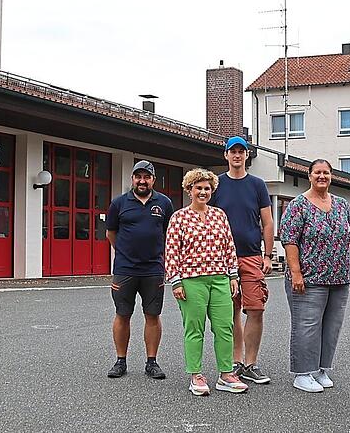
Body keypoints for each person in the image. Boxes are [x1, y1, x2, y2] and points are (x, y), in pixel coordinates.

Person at [165, 168, 248, 396]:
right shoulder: (179, 217)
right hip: (191, 281)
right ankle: (196, 375)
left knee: (225, 327)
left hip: (220, 278)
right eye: (198, 188)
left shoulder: (219, 215)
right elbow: (172, 251)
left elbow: (229, 247)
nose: (203, 192)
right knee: (195, 328)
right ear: (189, 190)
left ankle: (226, 374)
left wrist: (233, 275)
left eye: (207, 188)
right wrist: (176, 281)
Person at [278, 159, 350, 393]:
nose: (322, 176)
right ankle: (302, 373)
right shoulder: (298, 205)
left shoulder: (342, 204)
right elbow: (290, 240)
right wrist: (296, 273)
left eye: (326, 173)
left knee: (331, 326)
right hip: (309, 278)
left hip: (339, 277)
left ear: (331, 176)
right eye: (317, 173)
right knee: (307, 326)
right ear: (309, 176)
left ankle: (322, 369)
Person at [209, 135, 275, 385]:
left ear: (247, 155)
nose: (237, 155)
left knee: (255, 308)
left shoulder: (257, 185)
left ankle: (251, 363)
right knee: (231, 311)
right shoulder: (216, 185)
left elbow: (267, 222)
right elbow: (208, 219)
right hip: (222, 258)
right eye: (232, 151)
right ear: (225, 155)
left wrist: (267, 255)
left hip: (251, 256)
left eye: (241, 151)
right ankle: (236, 362)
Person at [105, 160, 174, 380]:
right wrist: (125, 252)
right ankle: (120, 361)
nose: (142, 181)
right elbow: (111, 234)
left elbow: (168, 234)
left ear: (153, 179)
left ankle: (151, 362)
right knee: (122, 314)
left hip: (153, 269)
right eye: (138, 176)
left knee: (152, 315)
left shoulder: (164, 203)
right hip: (125, 269)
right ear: (132, 179)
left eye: (147, 177)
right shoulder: (118, 203)